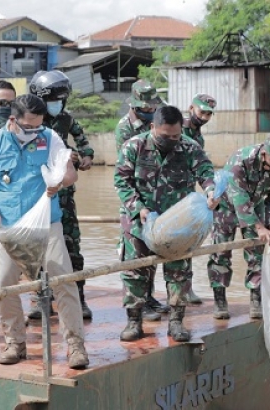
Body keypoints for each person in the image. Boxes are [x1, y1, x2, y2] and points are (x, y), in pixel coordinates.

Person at [0, 94, 89, 369]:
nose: (35, 131)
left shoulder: (49, 138)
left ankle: (75, 345)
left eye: (38, 125)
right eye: (29, 127)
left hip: (47, 224)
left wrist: (60, 181)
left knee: (64, 280)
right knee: (3, 284)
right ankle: (15, 342)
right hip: (9, 227)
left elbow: (70, 174)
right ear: (13, 120)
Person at [114, 106, 218, 342]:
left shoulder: (190, 147)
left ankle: (176, 322)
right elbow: (122, 181)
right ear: (153, 128)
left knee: (178, 272)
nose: (171, 141)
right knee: (134, 271)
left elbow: (205, 170)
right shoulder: (134, 147)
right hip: (139, 220)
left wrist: (211, 191)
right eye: (165, 136)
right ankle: (134, 321)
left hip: (177, 221)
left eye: (175, 136)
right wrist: (137, 207)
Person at [28, 70, 94, 320]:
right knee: (37, 248)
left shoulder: (66, 119)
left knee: (71, 246)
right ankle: (39, 298)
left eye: (62, 100)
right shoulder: (29, 121)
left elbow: (83, 140)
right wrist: (66, 153)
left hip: (64, 196)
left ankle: (79, 297)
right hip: (37, 196)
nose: (59, 104)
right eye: (55, 99)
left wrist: (85, 156)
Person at [207, 134, 270, 320]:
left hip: (255, 204)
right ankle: (219, 299)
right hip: (226, 206)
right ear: (264, 153)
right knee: (221, 252)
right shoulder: (240, 161)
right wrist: (260, 227)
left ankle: (256, 298)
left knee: (257, 252)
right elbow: (239, 198)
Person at [114, 80, 168, 321]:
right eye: (144, 109)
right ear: (134, 106)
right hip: (134, 198)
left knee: (153, 250)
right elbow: (125, 171)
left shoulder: (157, 119)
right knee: (133, 256)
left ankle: (149, 296)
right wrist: (137, 205)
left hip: (157, 196)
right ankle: (135, 304)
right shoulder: (125, 128)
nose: (148, 112)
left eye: (151, 109)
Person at [181, 93, 217, 305]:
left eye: (208, 114)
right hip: (170, 192)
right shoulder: (180, 129)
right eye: (201, 111)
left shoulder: (198, 136)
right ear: (191, 108)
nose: (204, 116)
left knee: (188, 240)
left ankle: (187, 288)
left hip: (188, 194)